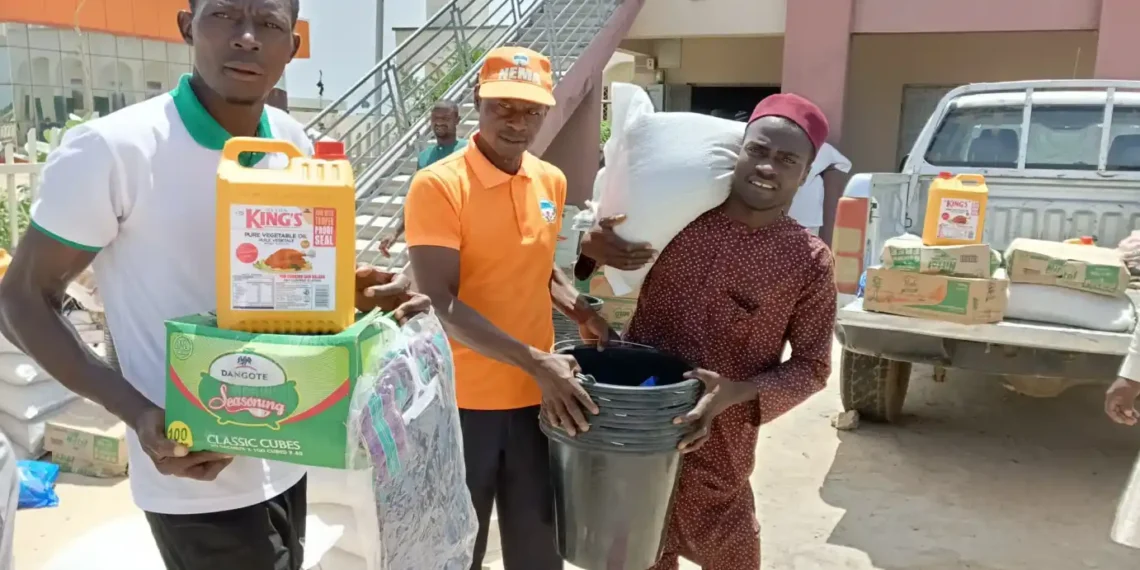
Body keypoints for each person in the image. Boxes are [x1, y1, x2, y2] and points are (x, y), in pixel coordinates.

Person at [0, 1, 429, 569]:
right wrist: (138, 411)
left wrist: (351, 293)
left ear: (292, 47)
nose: (248, 37)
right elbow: (21, 299)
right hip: (193, 465)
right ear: (187, 26)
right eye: (226, 14)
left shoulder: (294, 145)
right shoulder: (118, 150)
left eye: (270, 24)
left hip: (286, 444)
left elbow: (282, 275)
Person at [579, 94, 837, 569]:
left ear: (804, 174)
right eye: (758, 150)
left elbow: (813, 368)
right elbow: (588, 267)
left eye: (786, 160)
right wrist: (590, 245)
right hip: (641, 428)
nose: (767, 167)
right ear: (737, 152)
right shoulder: (678, 219)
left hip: (721, 447)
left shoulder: (808, 262)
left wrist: (736, 393)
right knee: (635, 554)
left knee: (733, 556)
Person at [403, 46, 612, 570]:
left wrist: (580, 309)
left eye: (531, 111)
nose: (517, 123)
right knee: (456, 549)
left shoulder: (550, 181)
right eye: (504, 107)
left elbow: (539, 264)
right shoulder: (439, 185)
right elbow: (440, 302)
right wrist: (537, 361)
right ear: (479, 101)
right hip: (461, 404)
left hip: (538, 403)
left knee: (539, 548)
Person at [380, 99, 466, 257]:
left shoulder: (468, 151)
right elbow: (415, 199)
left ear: (457, 121)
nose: (439, 123)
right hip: (431, 242)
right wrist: (395, 233)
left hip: (463, 243)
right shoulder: (424, 157)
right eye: (435, 118)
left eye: (445, 118)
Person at [787, 140, 851, 245]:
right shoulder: (823, 148)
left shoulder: (822, 148)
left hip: (805, 219)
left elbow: (839, 166)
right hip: (800, 215)